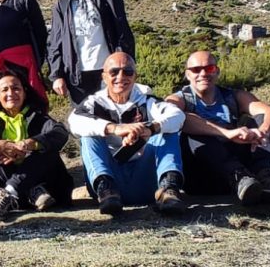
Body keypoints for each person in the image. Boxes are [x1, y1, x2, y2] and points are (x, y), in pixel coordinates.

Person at [165, 51, 270, 205]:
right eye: (196, 70)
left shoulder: (233, 96)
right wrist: (228, 133)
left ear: (217, 71)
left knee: (258, 121)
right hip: (202, 176)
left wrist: (263, 131)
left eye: (209, 68)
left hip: (245, 174)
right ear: (188, 74)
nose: (203, 74)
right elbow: (174, 117)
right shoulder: (179, 99)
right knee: (194, 132)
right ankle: (238, 177)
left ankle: (267, 177)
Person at [68, 52, 186, 216]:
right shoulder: (94, 103)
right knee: (89, 136)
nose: (121, 77)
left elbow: (178, 116)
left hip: (146, 181)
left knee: (167, 131)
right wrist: (114, 128)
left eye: (128, 72)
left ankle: (168, 188)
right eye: (114, 72)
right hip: (110, 183)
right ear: (104, 76)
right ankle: (106, 188)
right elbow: (74, 121)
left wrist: (149, 129)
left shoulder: (147, 101)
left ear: (135, 76)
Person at [0, 70, 73, 221]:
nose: (11, 93)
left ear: (24, 92)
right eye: (4, 90)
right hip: (28, 193)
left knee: (46, 147)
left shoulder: (37, 117)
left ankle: (10, 191)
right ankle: (29, 191)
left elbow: (60, 133)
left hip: (47, 190)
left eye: (16, 88)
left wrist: (29, 145)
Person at [49, 0, 135, 107]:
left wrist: (126, 64)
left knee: (114, 116)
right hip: (77, 75)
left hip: (109, 71)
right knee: (85, 120)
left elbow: (122, 30)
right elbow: (55, 42)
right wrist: (56, 76)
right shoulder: (62, 3)